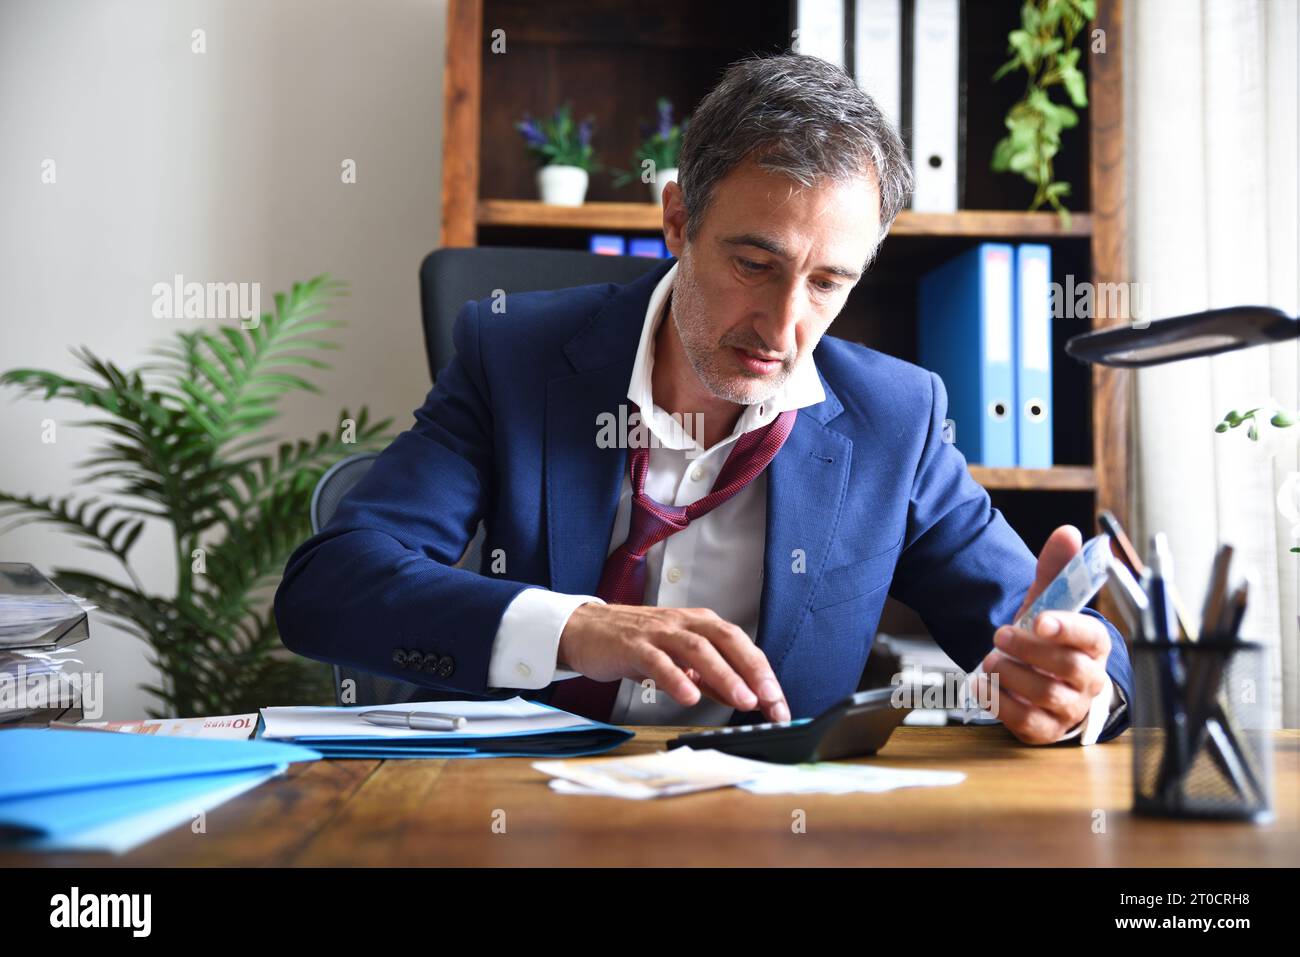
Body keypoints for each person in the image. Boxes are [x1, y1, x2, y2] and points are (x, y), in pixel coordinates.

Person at [275, 52, 1132, 745]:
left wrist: (1071, 689)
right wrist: (579, 628)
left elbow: (1071, 655)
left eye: (828, 282)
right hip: (519, 809)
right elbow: (330, 586)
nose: (783, 325)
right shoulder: (512, 357)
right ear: (678, 220)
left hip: (770, 823)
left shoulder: (894, 420)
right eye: (753, 265)